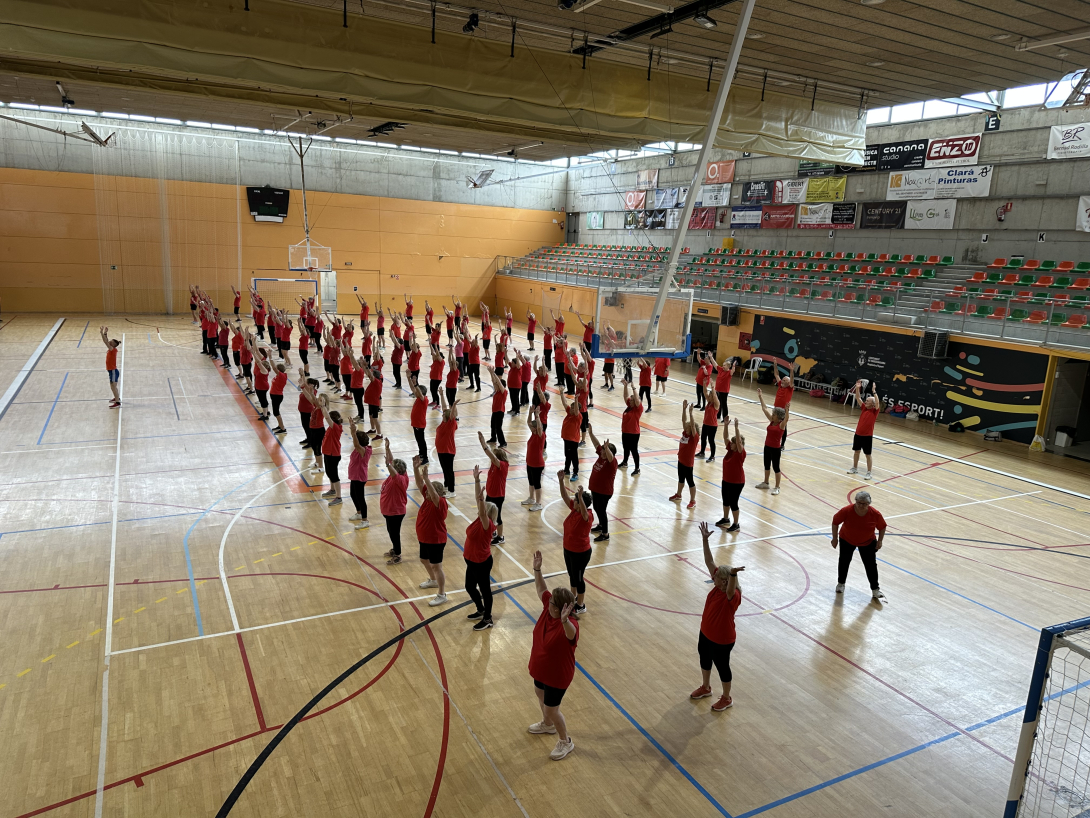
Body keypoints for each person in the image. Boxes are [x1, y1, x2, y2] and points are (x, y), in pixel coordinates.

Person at [527, 549, 579, 761]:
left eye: (551, 604)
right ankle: (547, 726)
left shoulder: (569, 624)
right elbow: (542, 589)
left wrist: (565, 620)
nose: (546, 603)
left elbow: (571, 633)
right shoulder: (548, 609)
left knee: (552, 710)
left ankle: (565, 741)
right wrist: (537, 569)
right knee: (540, 695)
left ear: (562, 609)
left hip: (558, 676)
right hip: (541, 668)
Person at [690, 521, 744, 712]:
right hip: (706, 633)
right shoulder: (717, 584)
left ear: (726, 580)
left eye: (718, 578)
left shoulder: (732, 595)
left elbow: (730, 587)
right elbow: (708, 560)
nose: (713, 579)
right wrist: (705, 540)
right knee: (704, 659)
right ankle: (706, 687)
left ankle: (727, 698)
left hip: (722, 639)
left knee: (723, 668)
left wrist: (733, 575)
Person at [832, 491, 887, 601]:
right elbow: (835, 522)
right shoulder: (846, 510)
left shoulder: (875, 514)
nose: (861, 506)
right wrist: (834, 538)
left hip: (868, 542)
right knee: (844, 561)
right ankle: (841, 584)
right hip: (846, 539)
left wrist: (880, 541)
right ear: (855, 502)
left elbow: (882, 527)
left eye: (864, 504)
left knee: (871, 565)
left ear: (869, 503)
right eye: (859, 503)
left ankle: (875, 590)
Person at [464, 465, 499, 631]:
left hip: (481, 562)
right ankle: (480, 609)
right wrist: (477, 480)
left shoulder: (487, 525)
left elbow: (482, 509)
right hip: (471, 560)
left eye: (482, 508)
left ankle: (488, 618)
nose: (479, 509)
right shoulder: (479, 520)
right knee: (470, 586)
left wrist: (482, 499)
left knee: (485, 591)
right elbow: (478, 500)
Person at [413, 455, 450, 606]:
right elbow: (419, 482)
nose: (426, 493)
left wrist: (427, 479)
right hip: (425, 538)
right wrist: (416, 469)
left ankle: (442, 594)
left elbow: (433, 494)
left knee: (437, 566)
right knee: (424, 560)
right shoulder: (428, 498)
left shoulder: (440, 502)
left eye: (429, 491)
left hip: (436, 539)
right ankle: (433, 580)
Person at [557, 471, 593, 616]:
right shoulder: (574, 509)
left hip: (581, 552)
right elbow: (565, 497)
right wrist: (561, 481)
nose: (574, 501)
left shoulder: (587, 515)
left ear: (581, 503)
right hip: (569, 549)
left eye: (576, 500)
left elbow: (584, 513)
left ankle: (580, 604)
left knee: (578, 578)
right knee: (572, 576)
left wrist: (580, 498)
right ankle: (572, 599)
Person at [585, 423, 617, 542]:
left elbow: (610, 456)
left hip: (604, 491)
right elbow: (596, 444)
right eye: (603, 450)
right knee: (597, 508)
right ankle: (601, 526)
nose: (602, 451)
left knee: (601, 510)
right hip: (596, 489)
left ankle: (605, 533)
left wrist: (607, 448)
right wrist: (591, 433)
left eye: (604, 450)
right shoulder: (601, 456)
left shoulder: (611, 463)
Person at [755, 387, 788, 495]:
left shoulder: (781, 425)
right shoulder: (772, 421)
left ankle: (777, 487)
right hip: (767, 446)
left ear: (779, 417)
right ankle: (766, 482)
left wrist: (787, 410)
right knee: (766, 465)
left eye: (774, 414)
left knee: (776, 468)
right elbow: (764, 408)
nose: (772, 415)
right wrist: (760, 396)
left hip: (775, 449)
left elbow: (786, 419)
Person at [381, 440, 410, 564]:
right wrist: (388, 448)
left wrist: (388, 465)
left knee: (394, 533)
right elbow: (391, 462)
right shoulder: (397, 475)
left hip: (396, 512)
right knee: (391, 531)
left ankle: (398, 555)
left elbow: (391, 467)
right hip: (389, 511)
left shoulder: (400, 480)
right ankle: (395, 549)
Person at [478, 431, 510, 544]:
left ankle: (501, 537)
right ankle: (494, 531)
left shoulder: (503, 465)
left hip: (498, 495)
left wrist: (483, 444)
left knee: (498, 516)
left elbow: (491, 455)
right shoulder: (493, 465)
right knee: (488, 513)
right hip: (490, 493)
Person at [716, 418, 745, 532]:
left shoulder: (740, 453)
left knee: (733, 502)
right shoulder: (730, 450)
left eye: (733, 443)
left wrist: (736, 428)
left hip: (737, 482)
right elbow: (725, 437)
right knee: (726, 500)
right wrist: (726, 426)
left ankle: (736, 524)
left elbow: (738, 442)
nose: (731, 444)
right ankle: (726, 518)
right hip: (726, 480)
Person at [669, 401, 700, 509]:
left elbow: (691, 424)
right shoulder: (685, 434)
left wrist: (691, 413)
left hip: (688, 463)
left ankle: (693, 500)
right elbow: (683, 420)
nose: (685, 427)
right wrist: (684, 409)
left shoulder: (694, 438)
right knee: (681, 479)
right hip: (681, 460)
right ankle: (678, 494)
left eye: (688, 427)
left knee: (690, 482)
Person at [848, 380, 880, 480]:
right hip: (858, 434)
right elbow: (858, 397)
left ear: (873, 404)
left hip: (867, 436)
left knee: (868, 455)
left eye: (868, 401)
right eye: (866, 401)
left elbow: (878, 402)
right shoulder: (864, 408)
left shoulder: (875, 411)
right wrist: (858, 388)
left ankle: (869, 472)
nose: (865, 402)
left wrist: (874, 391)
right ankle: (854, 468)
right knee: (856, 452)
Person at [317, 395, 344, 506]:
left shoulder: (336, 428)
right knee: (329, 472)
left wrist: (323, 406)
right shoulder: (331, 427)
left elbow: (327, 417)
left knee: (334, 475)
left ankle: (339, 496)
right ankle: (332, 490)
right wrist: (323, 407)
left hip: (333, 454)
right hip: (328, 453)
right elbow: (326, 416)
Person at [346, 417, 372, 530]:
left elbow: (356, 444)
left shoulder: (364, 451)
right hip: (354, 476)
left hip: (360, 477)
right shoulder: (359, 449)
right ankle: (359, 513)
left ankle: (365, 520)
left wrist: (353, 433)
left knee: (361, 498)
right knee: (353, 494)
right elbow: (356, 444)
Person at [522, 403, 546, 512]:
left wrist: (537, 415)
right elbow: (528, 422)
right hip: (530, 462)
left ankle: (538, 503)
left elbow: (540, 427)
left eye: (533, 426)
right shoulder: (533, 434)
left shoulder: (541, 436)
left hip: (537, 464)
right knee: (531, 482)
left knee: (537, 484)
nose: (531, 427)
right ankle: (531, 498)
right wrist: (530, 413)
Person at [435, 390, 459, 496]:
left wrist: (453, 405)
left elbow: (452, 414)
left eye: (444, 414)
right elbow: (445, 407)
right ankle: (446, 485)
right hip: (441, 450)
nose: (442, 414)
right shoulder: (443, 422)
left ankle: (452, 490)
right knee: (444, 469)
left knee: (449, 471)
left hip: (448, 451)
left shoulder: (450, 424)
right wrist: (441, 395)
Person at [618, 380, 643, 475]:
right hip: (625, 431)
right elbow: (625, 397)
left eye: (632, 400)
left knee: (634, 450)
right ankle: (625, 462)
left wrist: (633, 388)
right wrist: (625, 386)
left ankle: (637, 468)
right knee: (626, 448)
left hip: (633, 433)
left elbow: (637, 400)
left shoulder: (638, 409)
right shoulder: (630, 406)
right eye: (631, 400)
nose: (630, 401)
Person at [558, 388, 582, 482]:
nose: (571, 409)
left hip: (573, 440)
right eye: (571, 408)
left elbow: (576, 410)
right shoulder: (569, 413)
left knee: (573, 456)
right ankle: (566, 469)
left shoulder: (578, 416)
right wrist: (561, 394)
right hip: (566, 438)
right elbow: (565, 403)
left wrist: (576, 399)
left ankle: (575, 473)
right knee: (567, 455)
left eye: (573, 408)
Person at [695, 383, 720, 463]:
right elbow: (705, 393)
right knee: (703, 438)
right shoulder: (709, 402)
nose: (709, 396)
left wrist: (713, 388)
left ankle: (712, 456)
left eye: (711, 395)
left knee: (711, 440)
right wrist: (704, 384)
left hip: (712, 425)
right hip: (705, 423)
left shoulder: (716, 404)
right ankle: (702, 452)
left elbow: (715, 396)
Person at [408, 378, 429, 464]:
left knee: (421, 441)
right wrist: (409, 379)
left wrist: (416, 384)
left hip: (419, 424)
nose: (414, 392)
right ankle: (421, 454)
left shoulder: (424, 400)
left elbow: (418, 392)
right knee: (418, 441)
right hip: (415, 424)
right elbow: (413, 389)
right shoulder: (418, 398)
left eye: (417, 391)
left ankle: (425, 458)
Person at [99, 327, 121, 407]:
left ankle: (118, 402)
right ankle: (116, 398)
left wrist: (101, 332)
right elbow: (106, 340)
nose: (109, 342)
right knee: (112, 387)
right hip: (111, 371)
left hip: (113, 371)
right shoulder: (112, 348)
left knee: (113, 387)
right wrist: (105, 333)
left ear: (112, 345)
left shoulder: (112, 349)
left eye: (110, 342)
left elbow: (105, 341)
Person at [773, 374, 794, 448]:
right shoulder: (780, 385)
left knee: (783, 426)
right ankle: (774, 441)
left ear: (788, 383)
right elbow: (776, 374)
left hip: (783, 410)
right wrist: (775, 364)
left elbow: (791, 380)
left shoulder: (790, 388)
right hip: (776, 408)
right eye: (783, 379)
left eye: (785, 380)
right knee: (774, 424)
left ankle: (782, 445)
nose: (782, 381)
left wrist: (791, 371)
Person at [268, 361, 288, 434]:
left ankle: (283, 429)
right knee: (276, 412)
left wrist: (270, 358)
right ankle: (280, 425)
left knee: (276, 412)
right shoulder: (279, 376)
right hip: (274, 395)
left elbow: (273, 368)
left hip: (277, 396)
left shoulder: (282, 376)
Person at [714, 357, 734, 422]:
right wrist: (711, 357)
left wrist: (733, 366)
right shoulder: (721, 370)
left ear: (728, 366)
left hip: (724, 391)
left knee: (724, 404)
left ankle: (725, 418)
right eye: (723, 365)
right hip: (718, 389)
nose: (723, 366)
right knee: (718, 403)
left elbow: (733, 371)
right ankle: (718, 415)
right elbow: (715, 365)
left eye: (724, 365)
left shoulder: (729, 372)